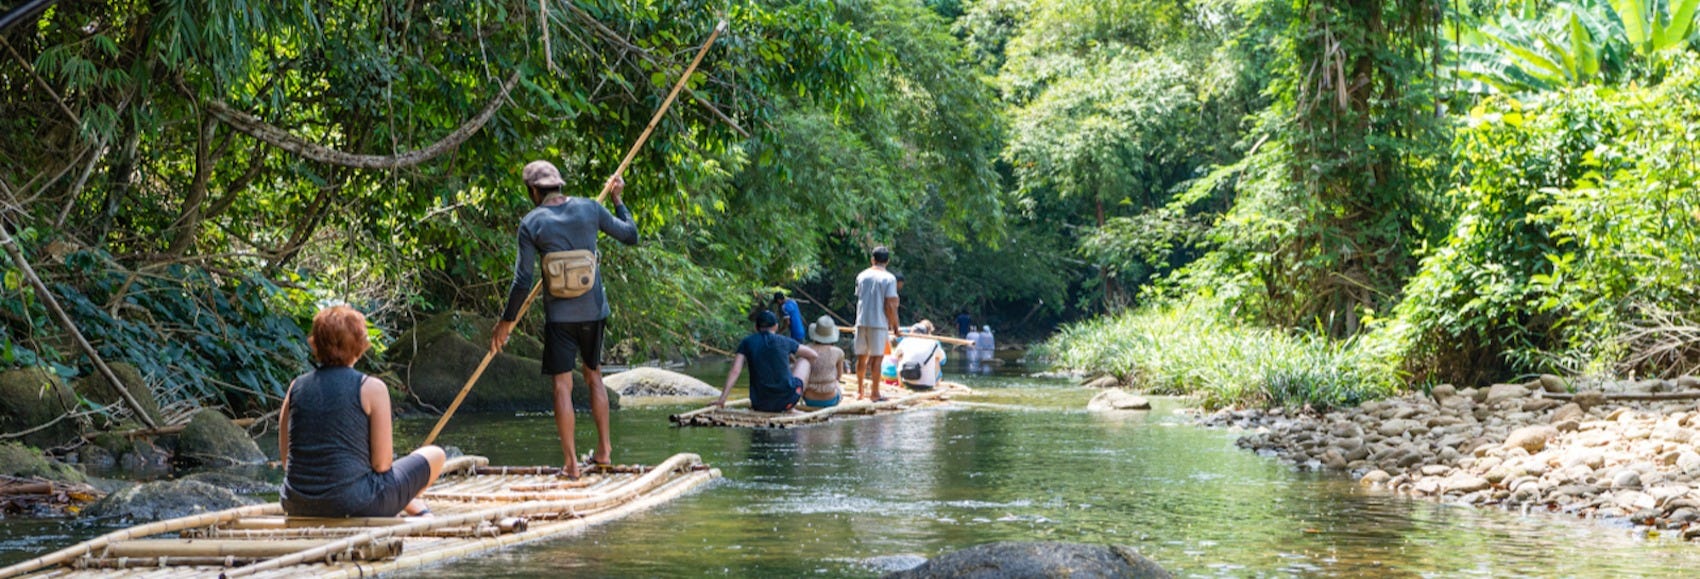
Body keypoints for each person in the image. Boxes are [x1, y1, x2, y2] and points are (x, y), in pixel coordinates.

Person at [490, 160, 638, 479]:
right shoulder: (590, 208)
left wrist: (506, 321)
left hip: (559, 317)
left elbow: (522, 280)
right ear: (559, 185)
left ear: (533, 191)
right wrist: (618, 199)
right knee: (594, 376)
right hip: (594, 311)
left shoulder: (531, 223)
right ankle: (604, 452)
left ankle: (571, 464)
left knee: (562, 385)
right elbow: (630, 235)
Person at [280, 305, 446, 518]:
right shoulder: (372, 388)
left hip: (296, 502)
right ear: (359, 345)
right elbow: (382, 464)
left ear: (316, 344)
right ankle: (413, 505)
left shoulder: (296, 386)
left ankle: (411, 503)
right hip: (354, 505)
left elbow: (287, 460)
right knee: (436, 454)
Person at [716, 311, 819, 412]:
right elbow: (813, 355)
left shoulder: (746, 342)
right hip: (787, 402)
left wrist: (722, 399)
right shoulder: (784, 341)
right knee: (804, 361)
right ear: (776, 326)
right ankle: (804, 396)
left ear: (756, 328)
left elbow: (735, 371)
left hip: (759, 404)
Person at [853, 247, 900, 402]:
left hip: (861, 321)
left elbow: (859, 297)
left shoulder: (861, 276)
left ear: (872, 259)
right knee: (877, 359)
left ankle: (860, 391)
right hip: (879, 323)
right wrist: (895, 325)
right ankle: (875, 393)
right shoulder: (889, 278)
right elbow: (890, 305)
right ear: (887, 261)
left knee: (862, 358)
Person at [802, 316, 846, 408]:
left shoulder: (806, 350)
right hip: (831, 399)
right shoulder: (838, 352)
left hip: (809, 399)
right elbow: (839, 376)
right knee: (838, 386)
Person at [893, 320, 945, 390]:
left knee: (899, 357)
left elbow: (894, 357)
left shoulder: (905, 341)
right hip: (927, 385)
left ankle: (901, 384)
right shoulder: (934, 343)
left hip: (907, 383)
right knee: (937, 359)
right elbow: (943, 360)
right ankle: (935, 384)